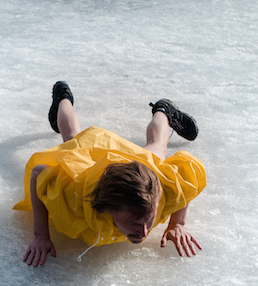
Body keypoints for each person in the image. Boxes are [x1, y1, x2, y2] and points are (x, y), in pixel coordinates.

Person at [14, 81, 207, 266]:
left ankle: (164, 110)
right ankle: (62, 95)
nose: (144, 231)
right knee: (72, 138)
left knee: (158, 147)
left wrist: (177, 223)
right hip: (86, 165)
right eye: (133, 222)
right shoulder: (72, 194)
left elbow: (185, 172)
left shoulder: (160, 191)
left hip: (137, 167)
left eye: (149, 219)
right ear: (106, 208)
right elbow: (39, 173)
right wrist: (40, 235)